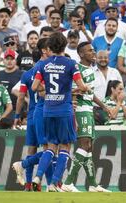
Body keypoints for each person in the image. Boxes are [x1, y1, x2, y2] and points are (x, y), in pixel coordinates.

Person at [31, 32, 90, 191]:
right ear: (64, 46)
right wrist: (83, 89)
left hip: (48, 110)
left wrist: (49, 91)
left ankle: (38, 176)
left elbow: (35, 87)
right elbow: (82, 86)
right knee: (65, 146)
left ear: (49, 47)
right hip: (64, 110)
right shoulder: (71, 64)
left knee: (50, 146)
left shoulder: (43, 64)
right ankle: (54, 183)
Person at [62, 42, 111, 193]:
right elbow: (69, 90)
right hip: (81, 110)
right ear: (81, 54)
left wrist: (104, 106)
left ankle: (93, 184)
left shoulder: (90, 69)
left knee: (89, 148)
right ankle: (68, 182)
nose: (93, 52)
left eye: (93, 50)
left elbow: (89, 92)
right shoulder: (77, 69)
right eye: (90, 51)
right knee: (84, 145)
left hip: (89, 109)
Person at [12, 38, 51, 192]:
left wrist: (17, 116)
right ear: (44, 52)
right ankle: (50, 184)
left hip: (31, 116)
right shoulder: (48, 69)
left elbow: (21, 97)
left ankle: (28, 184)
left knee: (31, 149)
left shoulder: (27, 75)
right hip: (44, 113)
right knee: (49, 149)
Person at [0, 48, 23, 115]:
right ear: (3, 61)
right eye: (7, 59)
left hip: (17, 111)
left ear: (16, 61)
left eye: (12, 59)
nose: (9, 61)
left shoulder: (22, 75)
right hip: (1, 111)